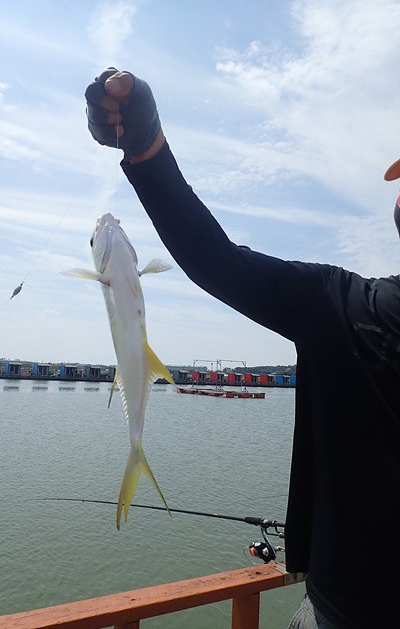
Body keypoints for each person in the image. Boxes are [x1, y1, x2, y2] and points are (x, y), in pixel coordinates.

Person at [85, 69, 400, 629]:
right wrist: (146, 150)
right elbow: (215, 258)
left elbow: (216, 261)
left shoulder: (344, 306)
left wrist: (147, 151)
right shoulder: (341, 303)